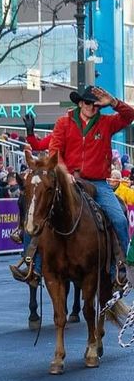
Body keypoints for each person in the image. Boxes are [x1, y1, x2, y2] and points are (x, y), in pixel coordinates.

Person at [13, 86, 134, 287]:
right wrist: (64, 172)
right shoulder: (64, 122)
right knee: (36, 211)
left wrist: (113, 102)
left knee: (120, 220)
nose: (92, 107)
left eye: (96, 104)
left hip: (97, 182)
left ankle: (120, 266)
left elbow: (130, 115)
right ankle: (31, 264)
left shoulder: (107, 122)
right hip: (67, 179)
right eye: (88, 103)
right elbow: (54, 150)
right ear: (80, 103)